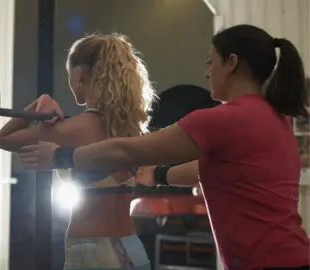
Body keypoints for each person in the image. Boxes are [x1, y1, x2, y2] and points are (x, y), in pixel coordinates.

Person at [18, 24, 310, 270]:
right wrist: (158, 175)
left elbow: (127, 150)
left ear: (231, 63)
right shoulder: (275, 118)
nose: (208, 73)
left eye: (211, 62)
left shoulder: (224, 119)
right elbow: (209, 170)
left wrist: (62, 155)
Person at [0, 33, 155, 269]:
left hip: (93, 251)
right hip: (132, 247)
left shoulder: (72, 129)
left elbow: (3, 139)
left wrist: (39, 102)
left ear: (79, 74)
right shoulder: (133, 130)